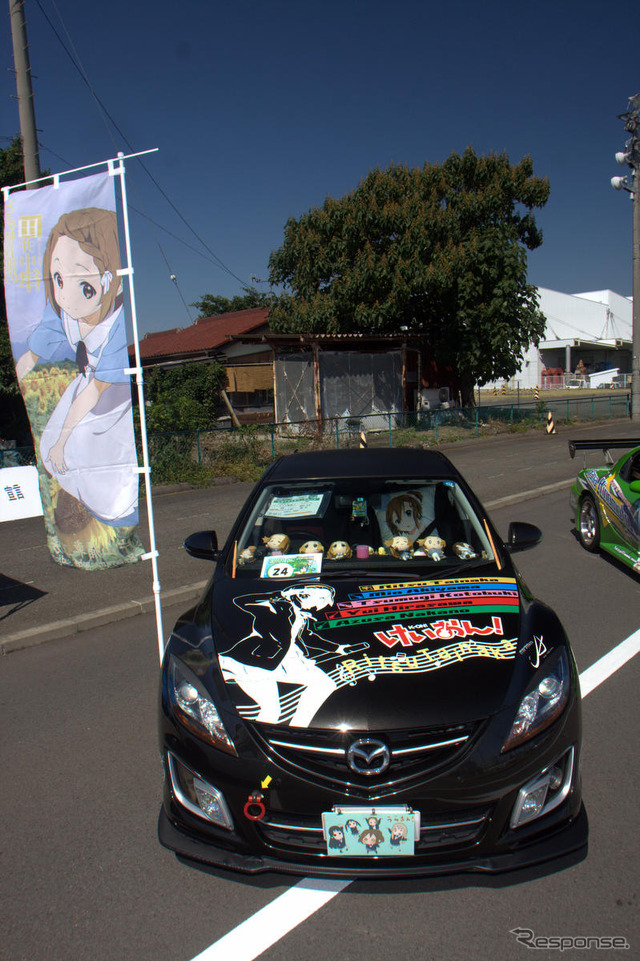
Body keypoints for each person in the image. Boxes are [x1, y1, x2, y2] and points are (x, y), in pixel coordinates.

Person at [15, 207, 137, 527]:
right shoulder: (64, 310)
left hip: (109, 401)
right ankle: (78, 496)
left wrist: (63, 440)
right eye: (58, 278)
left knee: (87, 452)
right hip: (83, 389)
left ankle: (108, 506)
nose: (66, 296)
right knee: (53, 448)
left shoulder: (114, 325)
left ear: (107, 278)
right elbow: (38, 346)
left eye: (81, 282)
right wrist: (24, 369)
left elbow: (98, 391)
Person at [219, 584, 364, 727]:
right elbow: (241, 601)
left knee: (324, 684)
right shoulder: (275, 606)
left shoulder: (301, 615)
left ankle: (298, 727)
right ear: (304, 595)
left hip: (285, 660)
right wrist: (279, 595)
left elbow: (307, 637)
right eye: (319, 600)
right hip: (256, 661)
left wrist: (338, 648)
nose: (318, 606)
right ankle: (253, 743)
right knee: (272, 710)